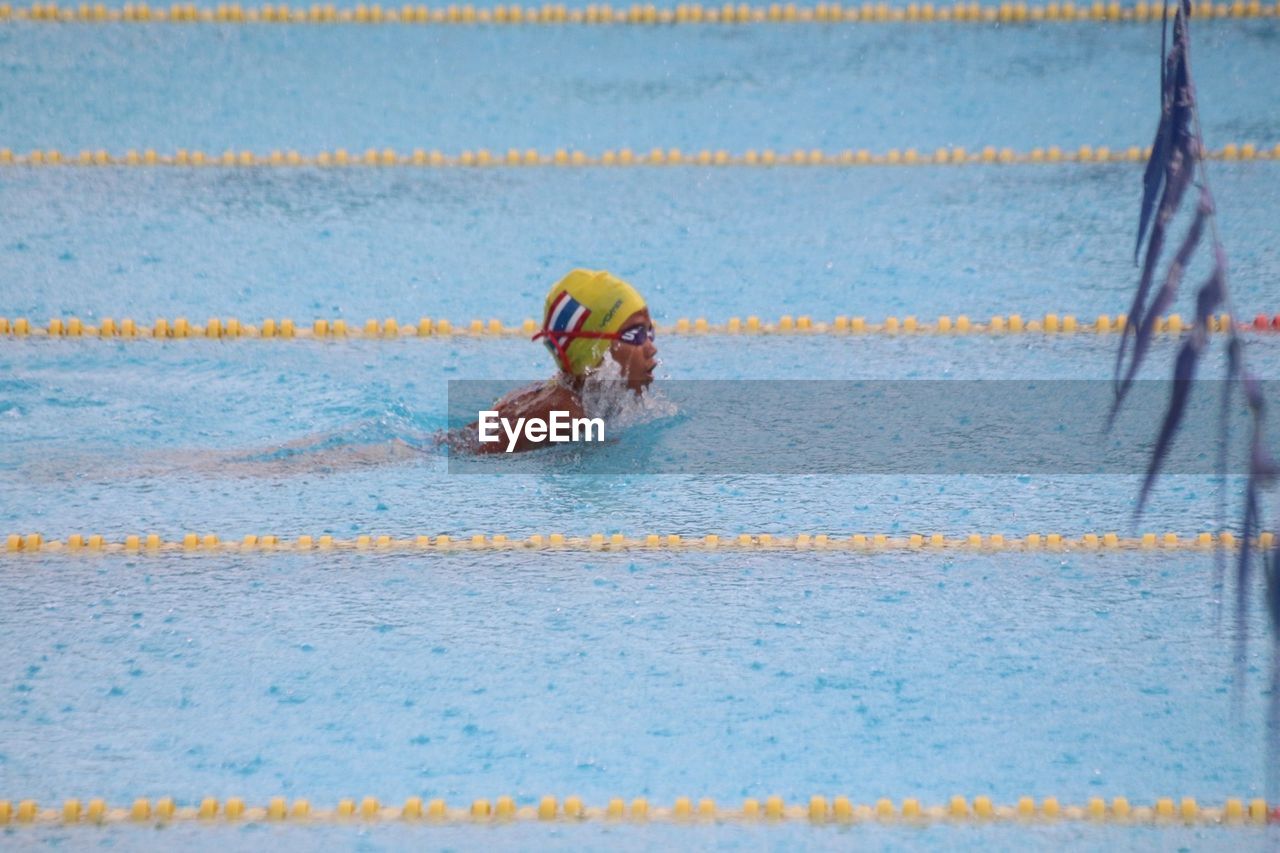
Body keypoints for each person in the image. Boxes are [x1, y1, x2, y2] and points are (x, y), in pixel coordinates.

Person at [472, 268, 658, 454]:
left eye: (650, 332)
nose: (651, 348)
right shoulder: (566, 414)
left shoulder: (574, 397)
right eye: (636, 334)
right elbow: (479, 459)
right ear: (593, 350)